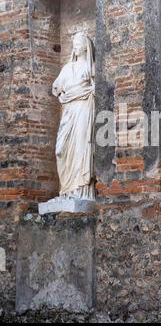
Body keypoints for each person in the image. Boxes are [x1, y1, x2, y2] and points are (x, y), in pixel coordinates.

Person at [52, 31, 95, 200]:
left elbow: (98, 88)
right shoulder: (67, 68)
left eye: (79, 44)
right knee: (61, 149)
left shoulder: (90, 67)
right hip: (69, 110)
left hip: (84, 109)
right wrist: (59, 90)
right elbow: (56, 87)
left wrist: (91, 86)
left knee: (80, 146)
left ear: (86, 47)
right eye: (74, 44)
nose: (76, 47)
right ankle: (66, 190)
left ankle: (81, 190)